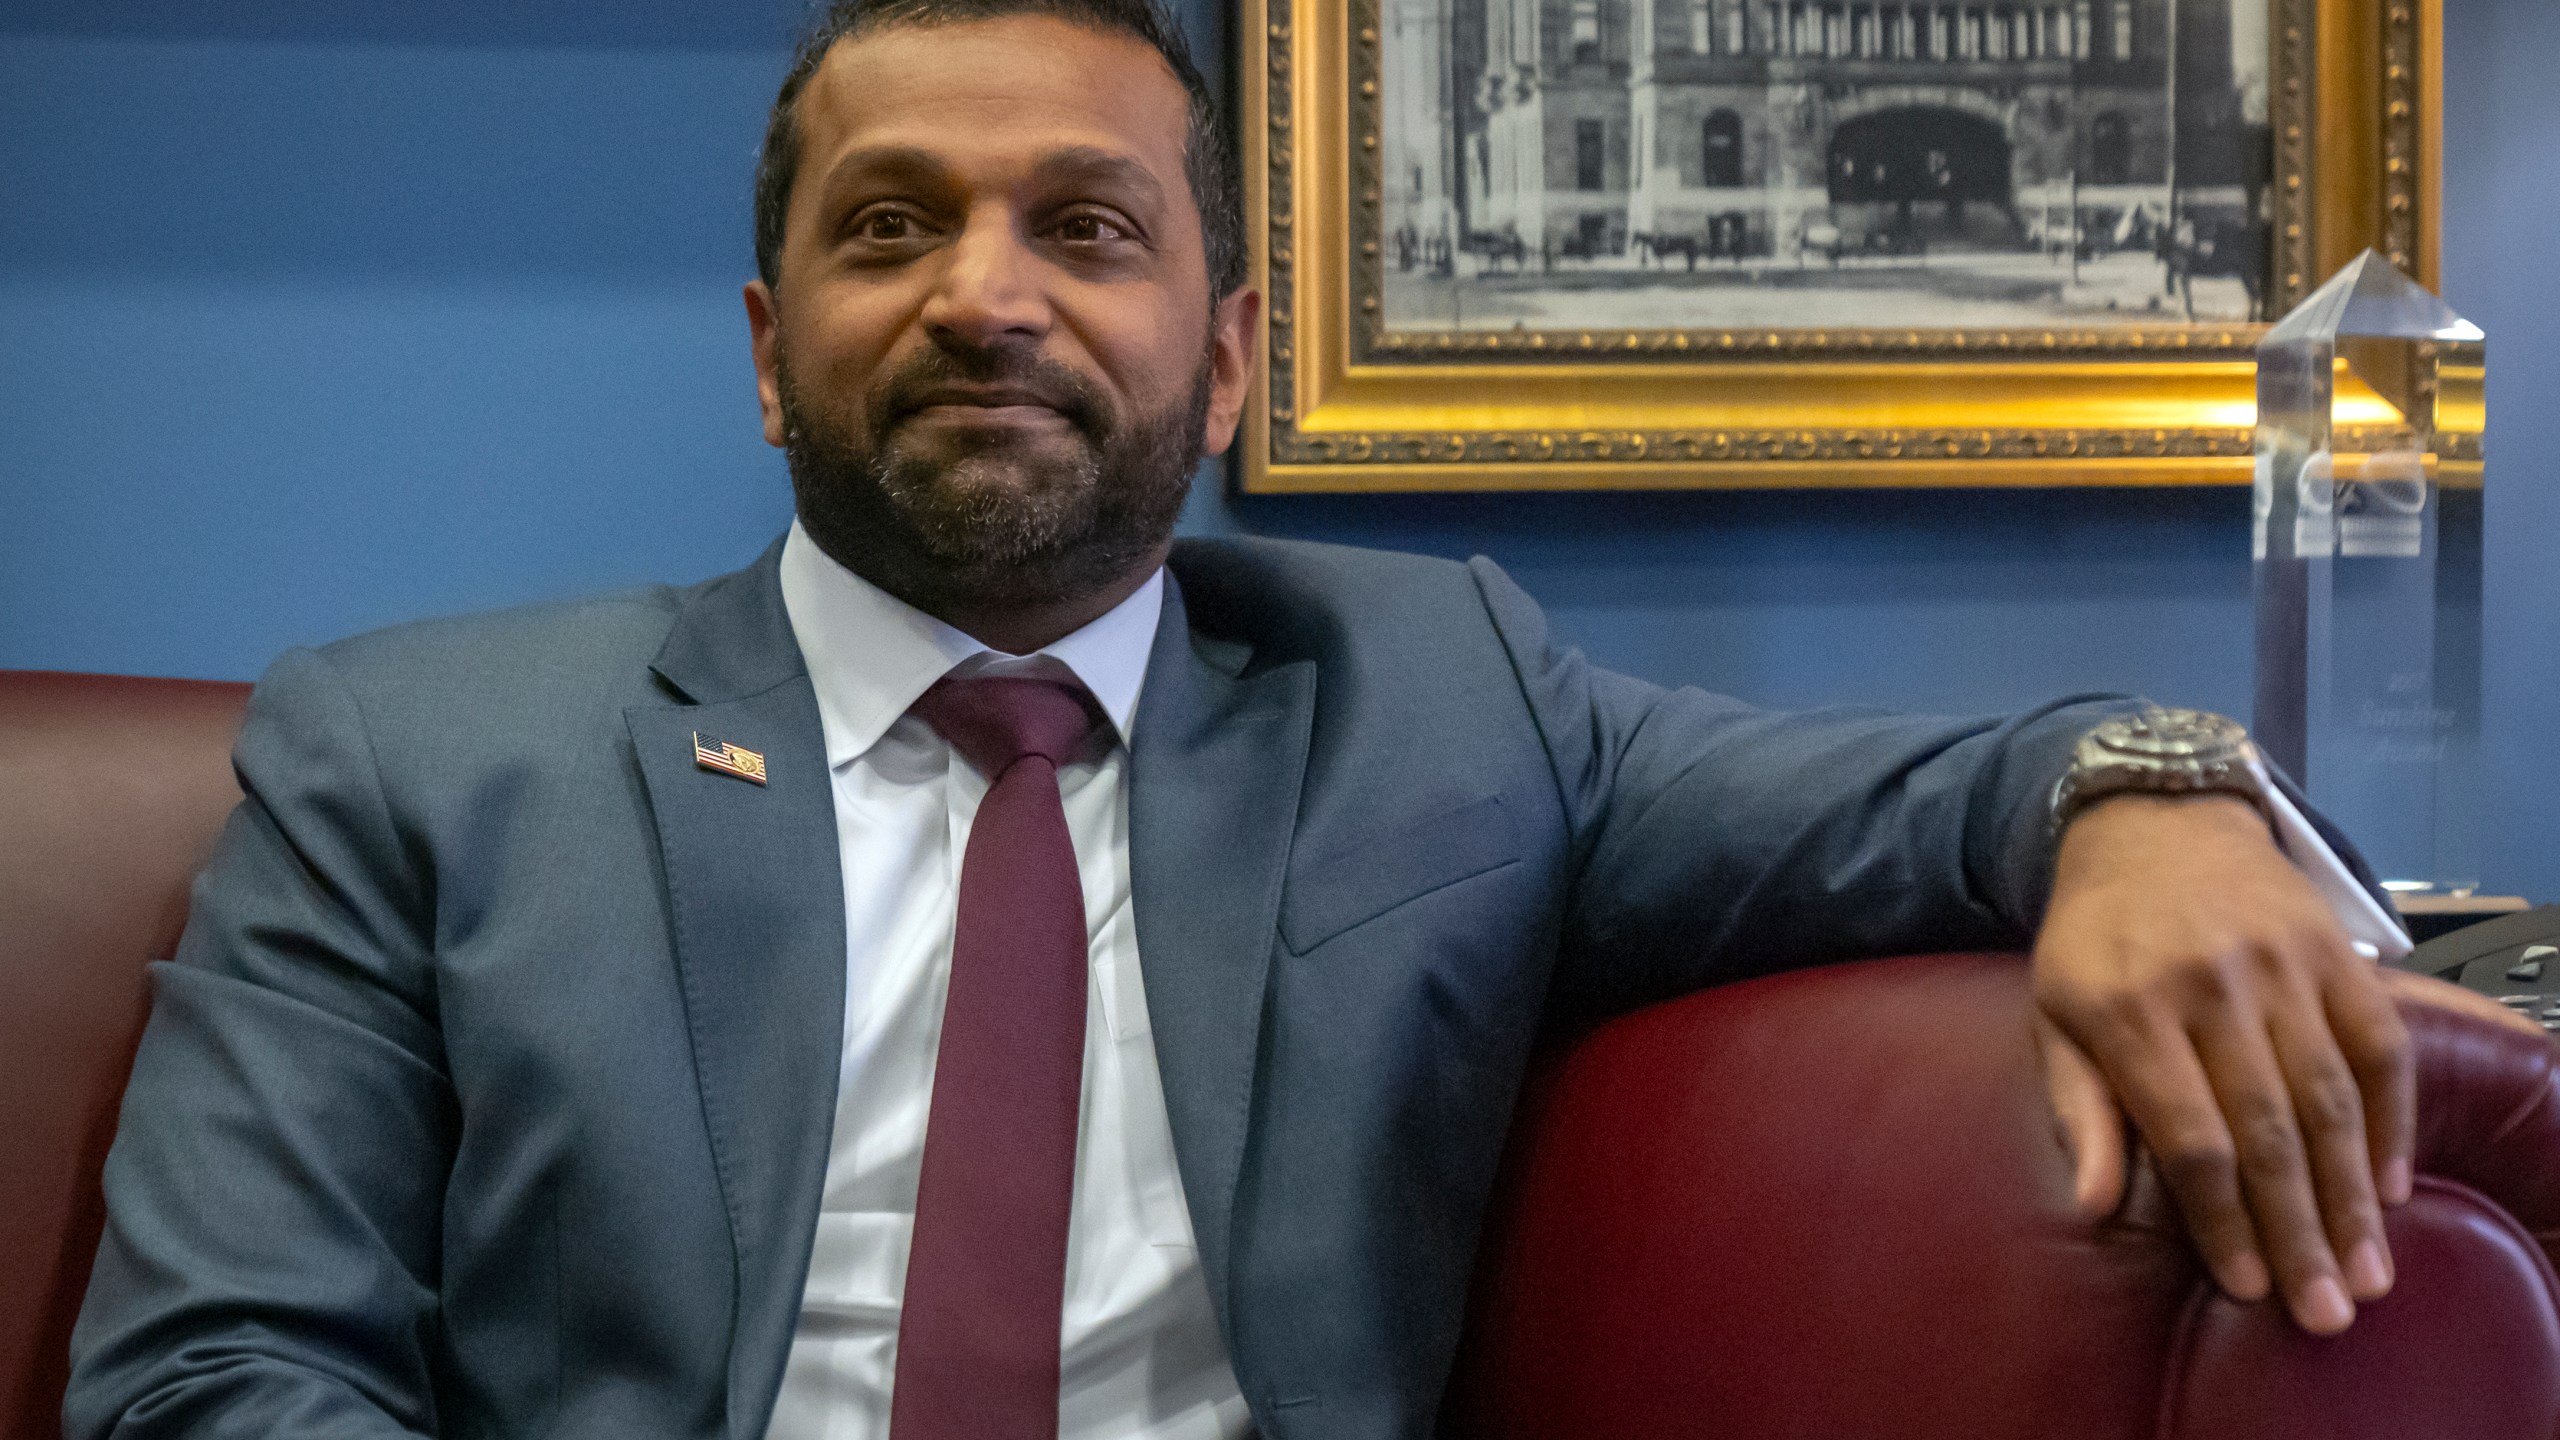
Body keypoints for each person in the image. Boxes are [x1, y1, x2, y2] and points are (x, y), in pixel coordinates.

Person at [63, 3, 2537, 1437]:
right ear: (760, 344)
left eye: (1089, 227)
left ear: (1227, 351)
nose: (985, 297)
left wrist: (2157, 790)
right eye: (890, 226)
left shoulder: (1440, 690)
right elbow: (216, 1374)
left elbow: (1933, 792)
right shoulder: (410, 751)